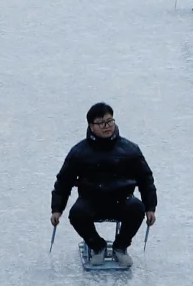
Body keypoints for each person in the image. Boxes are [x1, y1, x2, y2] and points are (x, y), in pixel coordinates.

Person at [50, 103, 157, 267]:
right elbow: (64, 181)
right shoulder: (79, 152)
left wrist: (150, 207)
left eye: (109, 121)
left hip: (122, 200)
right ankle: (97, 246)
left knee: (137, 208)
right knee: (77, 214)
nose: (107, 126)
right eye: (101, 123)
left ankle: (120, 247)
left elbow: (145, 179)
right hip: (91, 200)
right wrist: (57, 209)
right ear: (91, 126)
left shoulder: (129, 150)